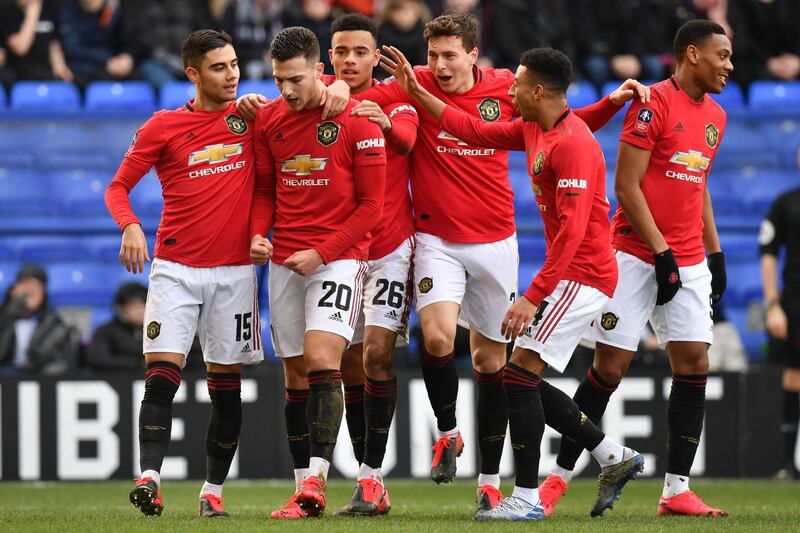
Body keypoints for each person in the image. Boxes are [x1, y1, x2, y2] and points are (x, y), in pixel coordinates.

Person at [351, 11, 645, 513]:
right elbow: (469, 127)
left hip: (554, 264)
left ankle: (562, 474)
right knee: (473, 354)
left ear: (474, 55)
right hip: (443, 241)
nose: (440, 65)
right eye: (433, 55)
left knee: (509, 372)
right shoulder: (534, 128)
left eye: (450, 55)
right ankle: (578, 464)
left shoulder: (556, 132)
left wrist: (533, 295)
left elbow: (573, 226)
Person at [543, 20, 732, 518]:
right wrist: (661, 252)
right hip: (631, 254)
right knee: (608, 368)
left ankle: (676, 491)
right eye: (722, 56)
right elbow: (627, 186)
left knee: (694, 365)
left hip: (688, 258)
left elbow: (700, 184)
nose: (730, 66)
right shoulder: (653, 105)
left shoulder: (717, 115)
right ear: (692, 54)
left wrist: (714, 254)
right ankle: (556, 483)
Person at [105, 29, 266, 519]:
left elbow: (263, 190)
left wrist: (259, 232)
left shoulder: (252, 119)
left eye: (235, 64)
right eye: (219, 67)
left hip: (235, 273)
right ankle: (149, 479)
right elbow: (118, 187)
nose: (232, 74)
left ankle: (212, 491)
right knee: (161, 378)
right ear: (193, 74)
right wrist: (131, 225)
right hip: (174, 270)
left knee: (226, 387)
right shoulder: (163, 126)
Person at [248, 26, 386, 519]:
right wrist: (259, 234)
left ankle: (315, 487)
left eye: (296, 79)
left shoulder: (359, 121)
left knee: (323, 359)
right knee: (295, 373)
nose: (287, 90)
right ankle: (303, 485)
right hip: (285, 261)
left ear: (319, 70)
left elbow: (373, 207)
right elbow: (265, 190)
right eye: (279, 79)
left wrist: (323, 252)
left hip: (340, 260)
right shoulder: (269, 119)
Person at [760, 171, 800, 480]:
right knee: (794, 373)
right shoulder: (786, 203)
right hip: (795, 301)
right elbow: (769, 253)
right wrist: (774, 304)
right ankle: (790, 462)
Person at [0, 264, 80, 375]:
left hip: (38, 380)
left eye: (37, 286)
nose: (30, 290)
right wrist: (8, 314)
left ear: (43, 294)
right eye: (25, 284)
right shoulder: (4, 317)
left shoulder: (56, 326)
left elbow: (61, 363)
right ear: (13, 290)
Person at [59, 0, 135, 87]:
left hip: (114, 64)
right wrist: (107, 60)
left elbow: (125, 40)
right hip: (84, 67)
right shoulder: (68, 9)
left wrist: (126, 57)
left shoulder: (112, 7)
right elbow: (72, 48)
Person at [0, 0, 73, 82]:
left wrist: (60, 65)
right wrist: (33, 13)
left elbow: (52, 40)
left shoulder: (48, 7)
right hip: (19, 72)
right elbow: (21, 48)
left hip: (46, 69)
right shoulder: (6, 9)